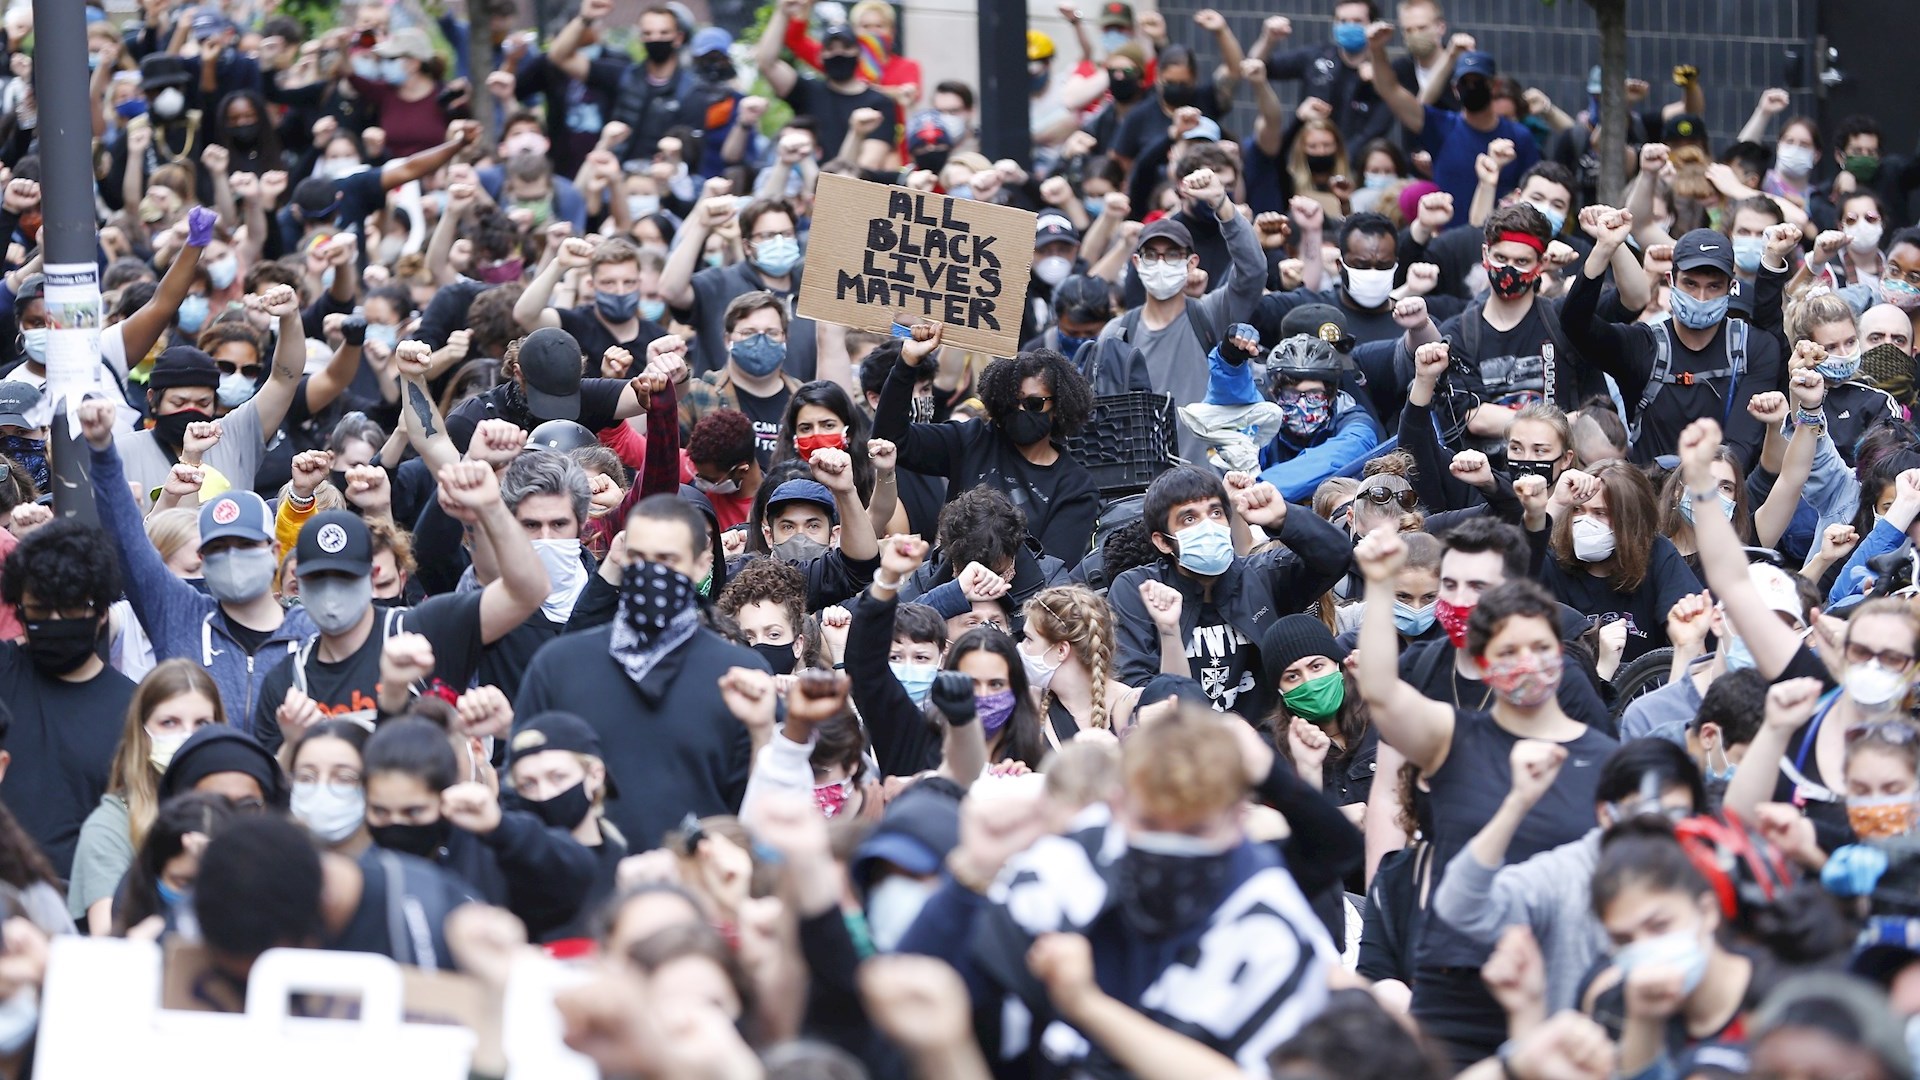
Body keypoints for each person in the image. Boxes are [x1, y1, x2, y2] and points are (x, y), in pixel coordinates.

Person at [902, 704, 1338, 1074]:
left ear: (1237, 820)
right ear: (1118, 805)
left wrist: (1086, 1005)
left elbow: (1340, 850)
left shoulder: (1261, 903)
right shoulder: (1072, 867)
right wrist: (969, 874)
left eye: (1194, 829)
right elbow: (910, 998)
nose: (1170, 845)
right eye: (1150, 823)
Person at [1354, 529, 1617, 1069]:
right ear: (1483, 658)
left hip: (1561, 985)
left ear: (1561, 653)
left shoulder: (1604, 760)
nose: (1526, 662)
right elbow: (1380, 691)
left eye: (1540, 648)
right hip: (1455, 985)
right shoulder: (1453, 737)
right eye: (1509, 651)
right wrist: (1379, 586)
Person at [515, 494, 765, 849]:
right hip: (585, 886)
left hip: (702, 885)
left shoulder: (740, 672)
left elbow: (760, 803)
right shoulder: (560, 665)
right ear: (621, 557)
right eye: (639, 557)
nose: (652, 571)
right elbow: (521, 785)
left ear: (701, 565)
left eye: (667, 560)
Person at [82, 399, 316, 730]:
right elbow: (127, 542)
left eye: (246, 544)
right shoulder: (180, 615)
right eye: (219, 547)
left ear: (274, 551)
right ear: (202, 560)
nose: (232, 555)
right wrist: (103, 453)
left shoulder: (309, 631)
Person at [251, 487, 547, 748]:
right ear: (297, 583)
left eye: (344, 576)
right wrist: (293, 747)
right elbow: (269, 795)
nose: (331, 589)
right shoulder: (286, 682)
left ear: (372, 576)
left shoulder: (424, 629)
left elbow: (529, 591)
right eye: (317, 578)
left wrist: (491, 509)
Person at [1431, 737, 1704, 1013]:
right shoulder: (1564, 874)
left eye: (1677, 814)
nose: (1661, 829)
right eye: (1643, 814)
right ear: (1606, 814)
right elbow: (1459, 906)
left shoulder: (1708, 865)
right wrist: (1518, 801)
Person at [1110, 466, 1352, 720]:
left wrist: (1283, 518)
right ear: (1162, 541)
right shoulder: (1141, 589)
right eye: (1189, 519)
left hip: (1265, 743)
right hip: (1182, 743)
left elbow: (1336, 556)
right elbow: (1136, 684)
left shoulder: (1261, 576)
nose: (1208, 527)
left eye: (1215, 512)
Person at [1566, 214, 1784, 467]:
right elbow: (1575, 325)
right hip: (1651, 498)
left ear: (1730, 287)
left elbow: (1741, 446)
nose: (1701, 297)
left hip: (1721, 494)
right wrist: (1605, 248)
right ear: (1671, 281)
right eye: (1690, 284)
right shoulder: (1643, 346)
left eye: (1713, 287)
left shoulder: (1754, 348)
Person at [877, 324, 1100, 568]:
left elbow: (1053, 570)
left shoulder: (1074, 486)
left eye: (1034, 403)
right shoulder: (973, 439)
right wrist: (907, 362)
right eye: (1012, 402)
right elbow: (891, 439)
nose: (1021, 410)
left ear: (1059, 406)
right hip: (945, 585)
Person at [361, 716, 595, 939]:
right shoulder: (363, 873)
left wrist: (500, 827)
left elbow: (576, 872)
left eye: (413, 812)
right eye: (380, 812)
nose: (396, 823)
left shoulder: (486, 850)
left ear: (445, 797)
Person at [1096, 168, 1266, 465]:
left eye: (1172, 254)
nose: (1161, 263)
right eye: (1152, 255)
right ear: (1137, 262)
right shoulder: (1117, 332)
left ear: (1191, 263)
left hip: (1210, 485)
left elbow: (1252, 271)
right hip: (1143, 489)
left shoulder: (1211, 314)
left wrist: (1222, 205)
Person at [0, 519, 137, 881]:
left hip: (85, 915)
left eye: (72, 609)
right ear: (21, 612)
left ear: (102, 611)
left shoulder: (135, 708)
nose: (56, 621)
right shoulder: (4, 672)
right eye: (41, 612)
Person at [67, 660, 225, 933]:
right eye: (169, 723)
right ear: (142, 734)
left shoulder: (242, 810)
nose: (187, 736)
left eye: (201, 724)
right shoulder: (110, 826)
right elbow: (110, 939)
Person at [112, 283, 308, 495]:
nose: (191, 410)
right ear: (153, 399)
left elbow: (284, 379)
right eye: (179, 403)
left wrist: (290, 318)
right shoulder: (124, 452)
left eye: (202, 403)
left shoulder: (236, 436)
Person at [1533, 458, 1701, 665]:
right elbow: (1510, 580)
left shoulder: (1656, 552)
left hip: (1640, 687)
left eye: (1600, 513)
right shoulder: (1551, 555)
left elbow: (1693, 638)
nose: (1584, 522)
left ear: (1629, 521)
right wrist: (1554, 505)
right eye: (1577, 510)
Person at [1364, 24, 1538, 224]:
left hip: (1500, 242)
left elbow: (1532, 190)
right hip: (1448, 241)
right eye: (1465, 83)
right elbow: (1391, 90)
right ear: (1455, 88)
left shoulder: (1518, 136)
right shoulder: (1440, 126)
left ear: (1494, 85)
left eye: (1478, 81)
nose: (1471, 88)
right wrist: (1376, 50)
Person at [662, 196, 818, 379]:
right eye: (767, 235)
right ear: (747, 246)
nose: (779, 242)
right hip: (723, 403)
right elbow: (671, 290)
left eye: (786, 234)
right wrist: (701, 226)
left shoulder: (813, 289)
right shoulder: (720, 283)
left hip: (797, 403)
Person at [756, 3, 897, 170]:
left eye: (846, 47)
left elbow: (869, 163)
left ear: (859, 53)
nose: (839, 54)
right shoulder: (808, 91)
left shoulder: (879, 103)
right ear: (820, 57)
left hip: (850, 189)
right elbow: (767, 64)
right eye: (830, 48)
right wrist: (781, 13)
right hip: (807, 187)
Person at [1261, 614, 1376, 818]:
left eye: (1316, 667)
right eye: (1292, 676)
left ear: (1338, 665)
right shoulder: (1269, 747)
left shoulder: (1377, 714)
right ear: (1279, 690)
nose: (1310, 683)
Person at [679, 291, 809, 462]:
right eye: (748, 333)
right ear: (727, 340)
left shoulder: (804, 399)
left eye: (771, 333)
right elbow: (659, 451)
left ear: (784, 339)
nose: (760, 340)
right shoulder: (696, 395)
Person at [515, 237, 666, 376]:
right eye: (609, 283)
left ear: (639, 283)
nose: (620, 292)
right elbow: (525, 315)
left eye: (629, 282)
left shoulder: (657, 339)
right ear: (592, 285)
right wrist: (559, 265)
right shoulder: (574, 323)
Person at [1261, 1, 1393, 148]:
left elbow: (1376, 130)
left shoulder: (1384, 75)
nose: (1349, 27)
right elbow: (1260, 67)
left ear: (1372, 25)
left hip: (1357, 161)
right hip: (1312, 154)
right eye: (1342, 21)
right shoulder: (1317, 57)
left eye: (1357, 21)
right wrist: (1268, 40)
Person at [1021, 585, 1141, 744]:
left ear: (1061, 650)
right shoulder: (1028, 702)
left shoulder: (1131, 705)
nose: (1022, 647)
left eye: (1029, 639)